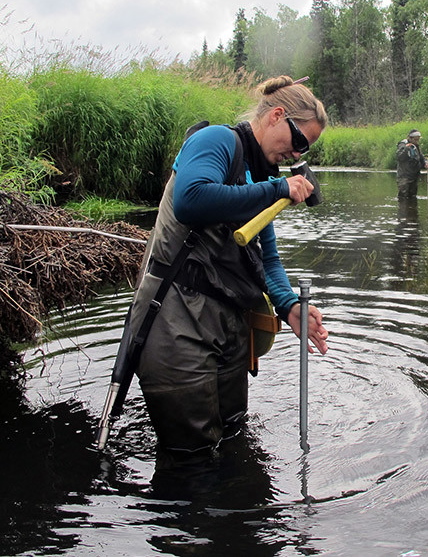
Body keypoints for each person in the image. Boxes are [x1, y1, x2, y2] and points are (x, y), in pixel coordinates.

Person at [130, 75, 329, 468]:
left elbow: (265, 259)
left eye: (306, 150)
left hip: (228, 326)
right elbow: (191, 199)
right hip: (176, 321)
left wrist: (289, 307)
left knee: (233, 435)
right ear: (276, 116)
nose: (297, 155)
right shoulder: (216, 142)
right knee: (192, 459)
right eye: (300, 142)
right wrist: (279, 190)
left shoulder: (262, 178)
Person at [395, 129, 428, 200]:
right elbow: (399, 157)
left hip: (414, 176)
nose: (417, 141)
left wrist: (425, 163)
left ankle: (412, 210)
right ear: (410, 138)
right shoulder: (402, 145)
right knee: (403, 197)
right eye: (415, 140)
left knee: (413, 197)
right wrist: (406, 148)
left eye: (418, 140)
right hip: (404, 176)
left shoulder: (416, 145)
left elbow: (420, 156)